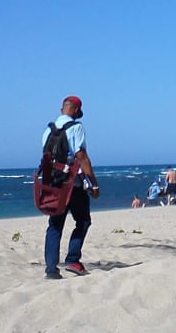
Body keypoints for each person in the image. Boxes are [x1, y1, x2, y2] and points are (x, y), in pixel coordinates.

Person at [42, 95, 100, 279]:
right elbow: (81, 156)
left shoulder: (48, 130)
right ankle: (73, 260)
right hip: (72, 185)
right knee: (83, 221)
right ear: (75, 110)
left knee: (55, 225)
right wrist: (94, 183)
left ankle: (51, 269)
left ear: (62, 109)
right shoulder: (76, 128)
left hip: (52, 182)